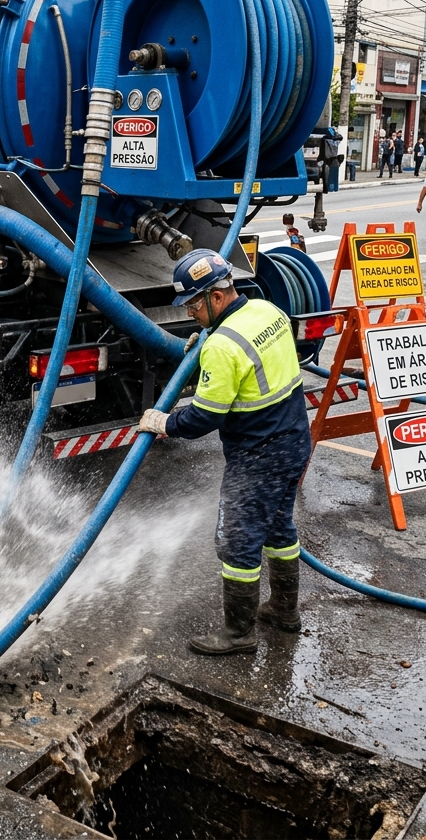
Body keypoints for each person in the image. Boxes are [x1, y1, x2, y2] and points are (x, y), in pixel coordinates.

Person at [138, 249, 311, 655]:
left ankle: (238, 634)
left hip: (258, 456)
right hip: (293, 442)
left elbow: (203, 418)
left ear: (217, 297)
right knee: (278, 528)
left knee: (237, 543)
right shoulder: (268, 312)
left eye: (195, 305)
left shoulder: (223, 345)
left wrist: (164, 423)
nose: (191, 314)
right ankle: (285, 612)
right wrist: (209, 344)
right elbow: (248, 366)